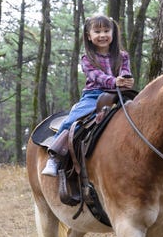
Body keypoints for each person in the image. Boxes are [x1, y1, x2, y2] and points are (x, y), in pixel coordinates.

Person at [41, 14, 134, 176]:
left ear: (113, 33)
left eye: (106, 31)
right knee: (73, 120)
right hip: (94, 95)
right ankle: (54, 156)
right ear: (89, 36)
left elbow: (125, 72)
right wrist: (114, 81)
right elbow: (96, 76)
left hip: (120, 94)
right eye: (97, 31)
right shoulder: (87, 58)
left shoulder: (123, 56)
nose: (102, 35)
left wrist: (127, 80)